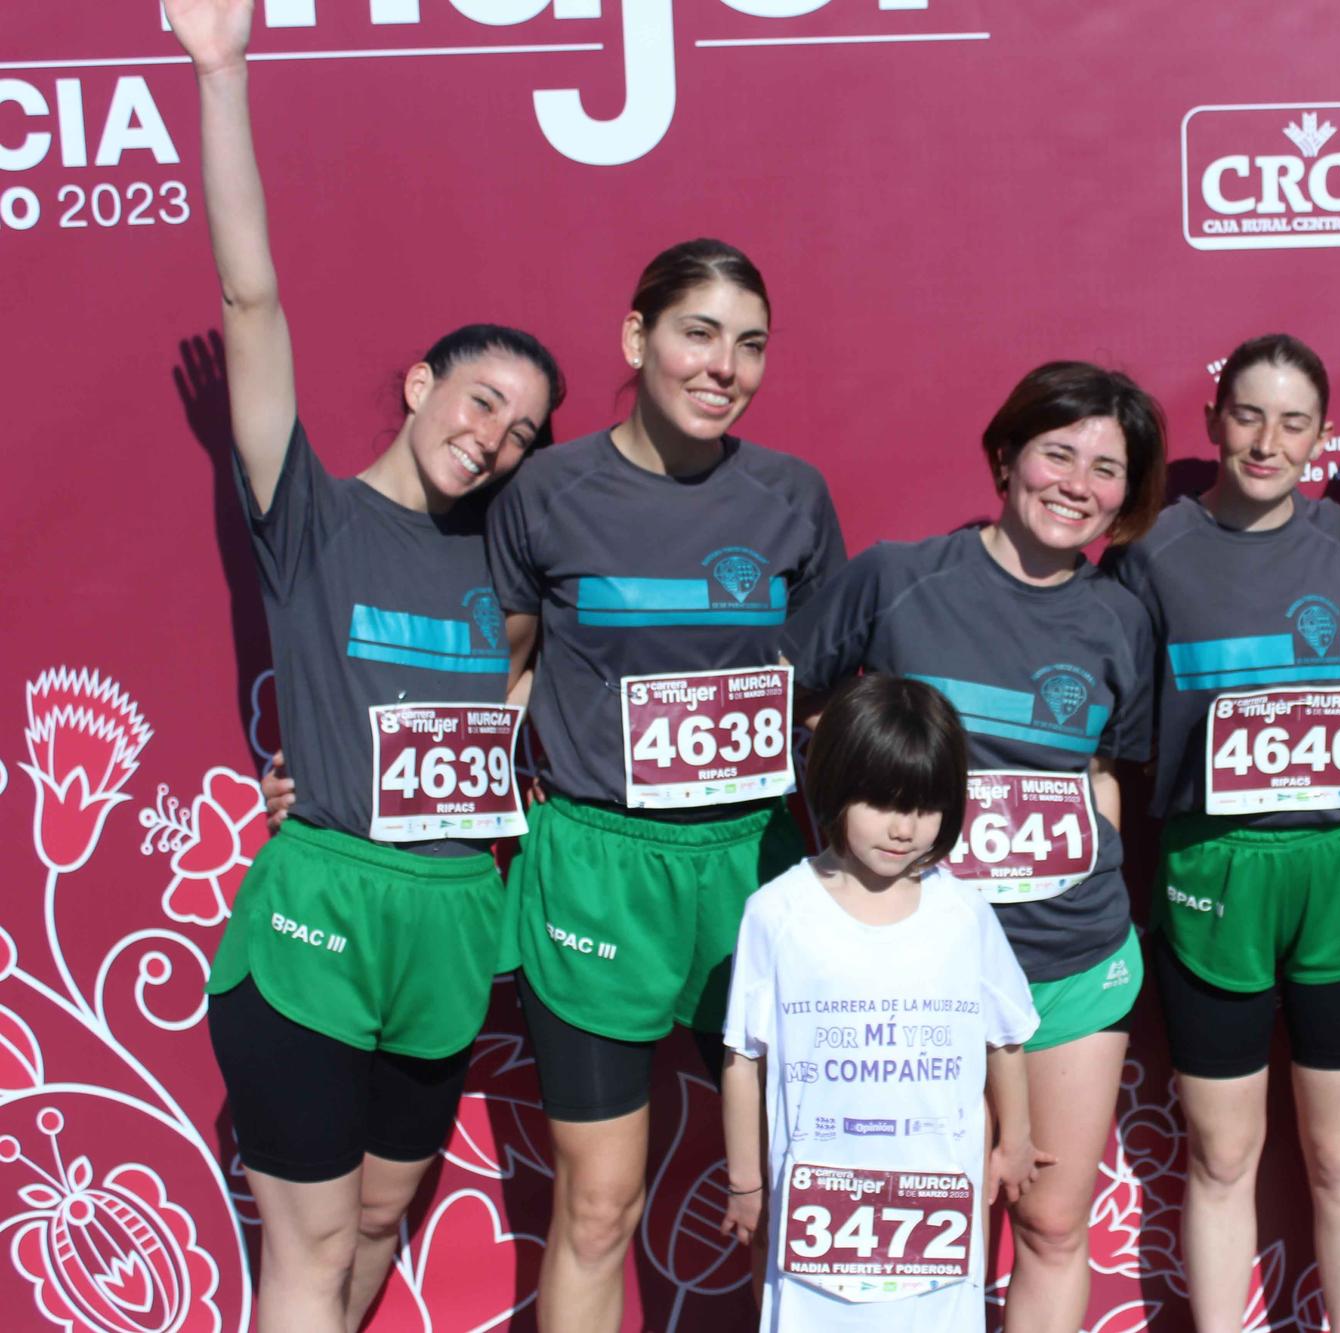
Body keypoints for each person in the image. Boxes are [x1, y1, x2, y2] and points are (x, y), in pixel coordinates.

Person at [167, 3, 563, 1330]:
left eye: (520, 432)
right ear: (420, 383)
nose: (493, 438)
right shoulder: (312, 516)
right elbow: (250, 296)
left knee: (379, 1226)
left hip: (452, 926)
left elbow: (509, 716)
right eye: (479, 401)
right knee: (312, 1244)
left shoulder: (508, 569)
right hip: (318, 922)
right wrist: (223, 76)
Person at [484, 239, 846, 1331]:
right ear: (638, 338)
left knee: (792, 1182)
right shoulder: (547, 490)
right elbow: (498, 675)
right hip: (596, 870)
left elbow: (821, 697)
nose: (722, 366)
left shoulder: (793, 495)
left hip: (753, 867)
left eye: (749, 346)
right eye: (698, 333)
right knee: (597, 1206)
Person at [779, 361, 1165, 1330]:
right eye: (1057, 452)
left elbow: (1105, 772)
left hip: (1071, 965)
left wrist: (1085, 862)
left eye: (1106, 467)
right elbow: (786, 705)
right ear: (1005, 455)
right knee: (909, 1232)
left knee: (1047, 1223)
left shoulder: (1119, 618)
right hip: (914, 972)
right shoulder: (896, 578)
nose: (1077, 483)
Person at [1106, 334, 1340, 1332]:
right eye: (1247, 415)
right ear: (1211, 418)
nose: (1266, 441)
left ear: (1321, 436)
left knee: (1338, 1156)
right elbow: (1118, 728)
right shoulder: (1148, 551)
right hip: (1210, 878)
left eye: (1292, 422)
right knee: (1220, 1157)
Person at [719, 673, 1046, 1331]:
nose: (904, 827)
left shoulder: (965, 914)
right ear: (835, 781)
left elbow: (1003, 1038)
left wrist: (1016, 1138)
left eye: (925, 806)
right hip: (815, 1213)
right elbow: (741, 1059)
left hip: (936, 1215)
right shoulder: (777, 914)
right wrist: (747, 1183)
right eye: (882, 801)